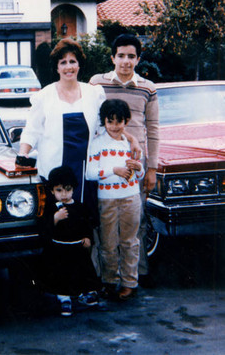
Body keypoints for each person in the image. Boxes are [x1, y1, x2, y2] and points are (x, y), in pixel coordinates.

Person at [18, 38, 140, 226]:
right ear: (57, 67)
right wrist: (22, 153)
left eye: (72, 61)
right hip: (55, 175)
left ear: (79, 64)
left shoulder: (93, 93)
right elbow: (31, 131)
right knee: (58, 227)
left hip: (86, 174)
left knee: (85, 229)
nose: (69, 67)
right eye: (63, 62)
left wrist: (132, 140)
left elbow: (105, 126)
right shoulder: (44, 96)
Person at [89, 33, 159, 285]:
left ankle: (134, 276)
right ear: (112, 57)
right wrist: (129, 136)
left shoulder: (148, 88)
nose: (126, 61)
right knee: (103, 226)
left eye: (131, 56)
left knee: (135, 224)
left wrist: (151, 169)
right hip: (107, 164)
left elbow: (153, 128)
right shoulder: (97, 83)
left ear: (138, 59)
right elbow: (95, 122)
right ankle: (103, 276)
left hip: (135, 167)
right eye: (121, 56)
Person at [87, 99, 145, 300]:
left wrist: (138, 169)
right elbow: (90, 173)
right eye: (110, 121)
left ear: (126, 121)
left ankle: (130, 282)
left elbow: (140, 174)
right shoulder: (97, 142)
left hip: (131, 197)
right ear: (104, 121)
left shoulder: (131, 143)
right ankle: (110, 281)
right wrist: (113, 170)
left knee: (129, 241)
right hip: (107, 200)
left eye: (119, 121)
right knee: (108, 244)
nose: (114, 126)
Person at [38, 166, 100, 316]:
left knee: (82, 270)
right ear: (52, 191)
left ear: (73, 189)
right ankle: (64, 298)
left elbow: (86, 224)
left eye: (67, 189)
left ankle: (86, 292)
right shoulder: (51, 208)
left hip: (77, 247)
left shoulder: (79, 206)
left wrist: (87, 238)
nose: (64, 194)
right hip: (59, 249)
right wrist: (55, 218)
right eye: (59, 190)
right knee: (61, 273)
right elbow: (44, 227)